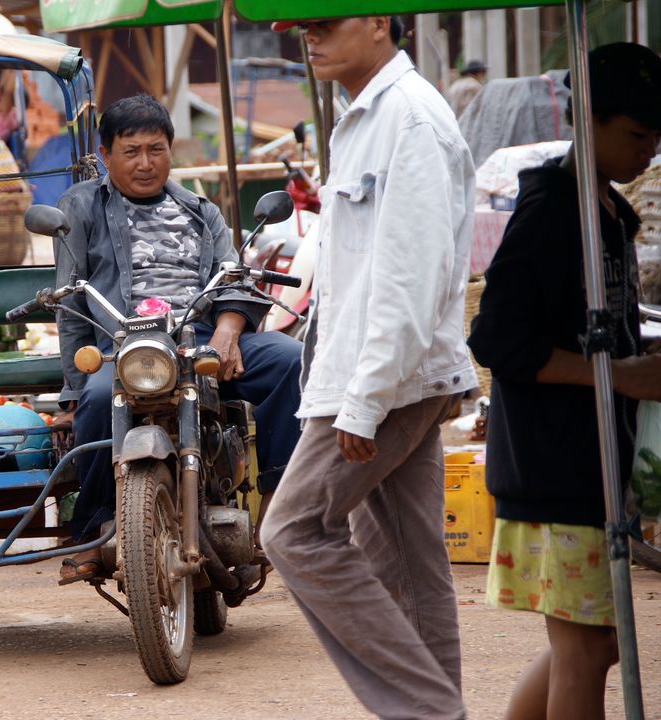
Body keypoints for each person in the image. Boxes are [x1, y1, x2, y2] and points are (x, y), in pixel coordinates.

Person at [260, 16, 476, 719]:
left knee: (292, 532)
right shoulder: (367, 116)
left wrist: (364, 401)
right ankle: (438, 711)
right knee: (407, 563)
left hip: (385, 379)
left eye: (325, 26)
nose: (310, 41)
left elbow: (412, 276)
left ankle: (428, 709)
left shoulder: (408, 119)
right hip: (384, 373)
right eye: (304, 28)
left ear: (379, 23)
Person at [468, 42, 661, 720]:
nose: (648, 150)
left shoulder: (610, 211)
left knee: (594, 647)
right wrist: (619, 376)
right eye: (636, 134)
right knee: (586, 652)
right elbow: (496, 341)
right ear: (590, 119)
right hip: (555, 464)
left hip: (592, 463)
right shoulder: (553, 211)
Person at [54, 94, 302, 583]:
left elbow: (234, 279)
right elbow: (69, 303)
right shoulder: (81, 207)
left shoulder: (200, 210)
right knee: (98, 399)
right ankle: (92, 531)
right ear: (106, 155)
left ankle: (278, 509)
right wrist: (72, 389)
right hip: (123, 347)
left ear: (171, 151)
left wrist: (230, 332)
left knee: (290, 359)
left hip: (201, 339)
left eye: (156, 149)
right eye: (131, 151)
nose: (145, 163)